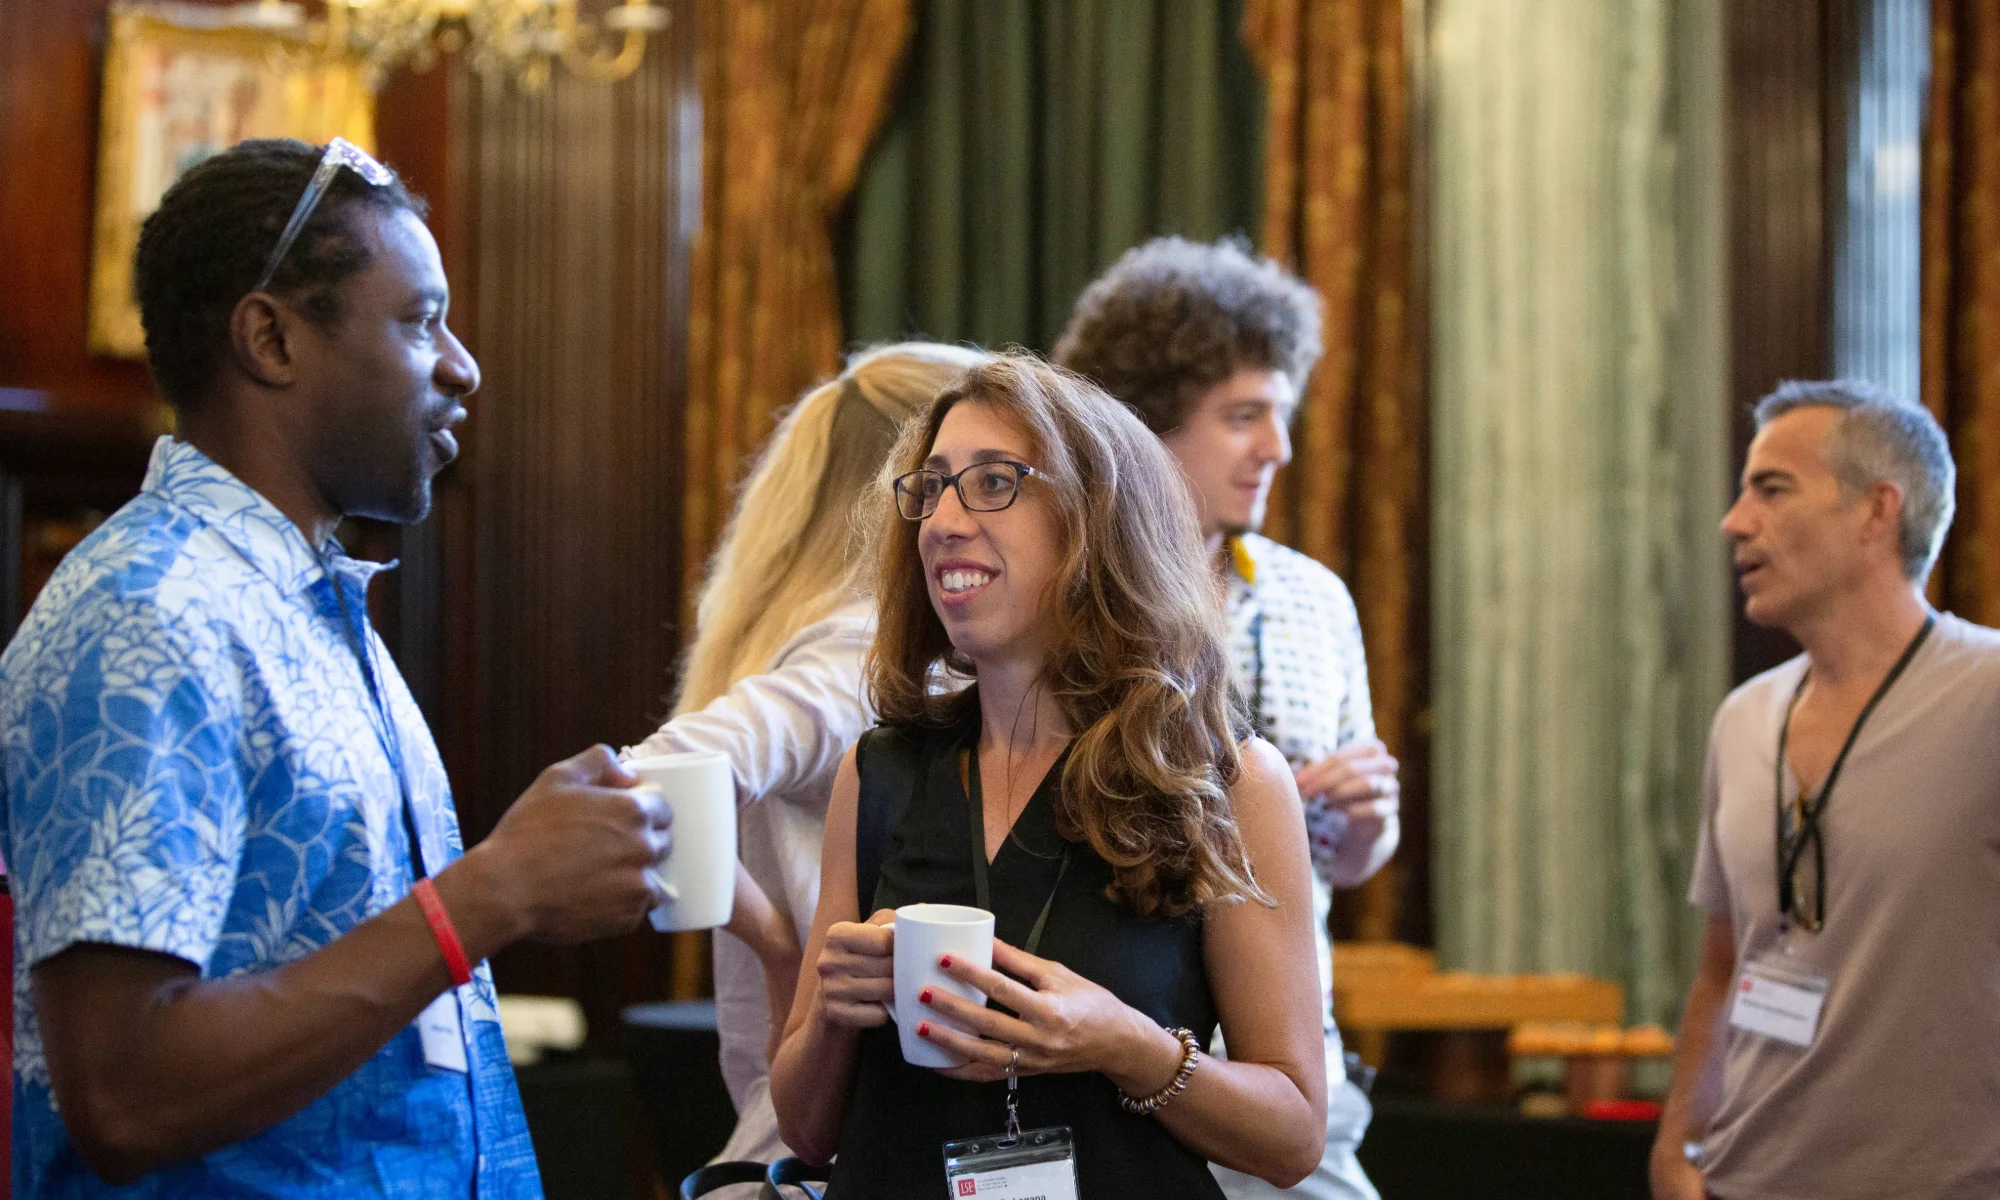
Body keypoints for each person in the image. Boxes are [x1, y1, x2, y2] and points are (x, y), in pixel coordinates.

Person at [0, 138, 671, 1197]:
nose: (463, 366)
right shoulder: (149, 611)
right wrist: (495, 890)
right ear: (270, 338)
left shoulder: (304, 606)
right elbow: (125, 1095)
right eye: (420, 321)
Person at [769, 355, 1329, 1196]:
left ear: (1098, 519)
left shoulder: (1226, 781)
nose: (943, 520)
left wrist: (1126, 1046)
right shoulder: (880, 771)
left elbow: (1293, 1137)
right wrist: (833, 1012)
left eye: (994, 482)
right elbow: (807, 1132)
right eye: (931, 488)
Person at [1054, 235, 1395, 1200]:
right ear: (1143, 424)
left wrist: (1363, 824)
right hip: (1118, 1065)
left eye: (1281, 415)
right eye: (1244, 417)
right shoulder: (1063, 606)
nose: (1277, 448)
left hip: (1292, 1068)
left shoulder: (1315, 598)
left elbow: (1354, 861)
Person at [621, 341, 986, 1170]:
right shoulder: (860, 654)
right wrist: (782, 947)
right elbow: (651, 776)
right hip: (841, 1136)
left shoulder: (837, 642)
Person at [1651, 380, 2000, 1200]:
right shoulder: (1743, 719)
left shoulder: (1987, 695)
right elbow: (1723, 963)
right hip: (1744, 1180)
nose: (1734, 522)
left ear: (1877, 510)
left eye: (1772, 490)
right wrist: (1676, 1146)